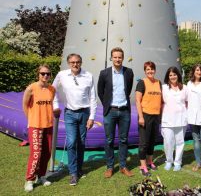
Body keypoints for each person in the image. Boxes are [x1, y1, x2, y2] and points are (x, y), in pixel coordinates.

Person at [53, 53, 97, 186]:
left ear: (81, 63)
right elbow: (52, 90)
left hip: (84, 113)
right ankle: (73, 173)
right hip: (70, 113)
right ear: (68, 63)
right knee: (71, 142)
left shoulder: (88, 76)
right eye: (72, 62)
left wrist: (92, 117)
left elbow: (93, 97)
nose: (75, 64)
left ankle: (79, 169)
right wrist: (55, 105)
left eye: (77, 62)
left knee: (81, 142)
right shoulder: (62, 75)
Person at [97, 47, 134, 178]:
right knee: (109, 140)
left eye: (120, 57)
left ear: (122, 58)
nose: (117, 59)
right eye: (115, 57)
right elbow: (100, 91)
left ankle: (123, 166)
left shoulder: (129, 72)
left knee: (124, 140)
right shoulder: (104, 73)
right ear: (111, 58)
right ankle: (110, 167)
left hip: (124, 111)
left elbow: (128, 89)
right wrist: (107, 104)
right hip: (110, 111)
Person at [22, 64, 55, 192]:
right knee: (36, 153)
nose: (45, 76)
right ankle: (29, 180)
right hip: (35, 125)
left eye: (48, 74)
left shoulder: (52, 89)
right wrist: (31, 119)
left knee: (46, 153)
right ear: (38, 74)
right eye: (43, 73)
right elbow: (25, 105)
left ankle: (41, 176)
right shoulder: (31, 88)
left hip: (48, 125)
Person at [135, 61, 162, 176]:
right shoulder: (142, 83)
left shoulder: (159, 82)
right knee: (144, 143)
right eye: (148, 70)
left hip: (156, 116)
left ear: (155, 70)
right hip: (145, 116)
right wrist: (141, 117)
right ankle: (143, 166)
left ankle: (150, 161)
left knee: (152, 141)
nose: (150, 71)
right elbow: (137, 101)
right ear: (145, 71)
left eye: (152, 69)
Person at [161, 66, 188, 172]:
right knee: (168, 142)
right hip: (167, 120)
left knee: (180, 142)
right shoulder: (164, 88)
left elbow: (187, 102)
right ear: (168, 77)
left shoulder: (184, 88)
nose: (173, 77)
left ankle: (177, 162)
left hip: (181, 119)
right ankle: (169, 161)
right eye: (170, 75)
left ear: (178, 75)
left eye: (175, 74)